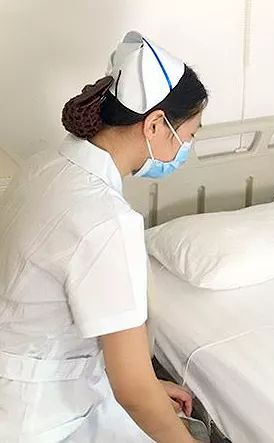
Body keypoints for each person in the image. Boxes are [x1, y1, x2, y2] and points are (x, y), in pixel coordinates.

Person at [0, 31, 208, 442]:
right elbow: (131, 390)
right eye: (190, 134)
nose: (187, 147)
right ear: (155, 125)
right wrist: (147, 392)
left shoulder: (44, 164)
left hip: (25, 384)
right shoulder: (108, 221)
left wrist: (148, 385)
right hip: (40, 420)